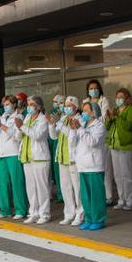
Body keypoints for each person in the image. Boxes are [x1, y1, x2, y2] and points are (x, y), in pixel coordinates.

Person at [69, 101, 107, 230]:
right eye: (83, 110)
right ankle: (89, 218)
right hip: (83, 165)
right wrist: (73, 130)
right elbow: (73, 143)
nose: (83, 113)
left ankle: (99, 219)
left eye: (86, 111)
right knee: (85, 196)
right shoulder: (83, 125)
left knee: (96, 195)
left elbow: (92, 142)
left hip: (94, 165)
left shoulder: (99, 126)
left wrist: (79, 129)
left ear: (93, 112)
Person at [17, 96, 51, 224]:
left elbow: (37, 135)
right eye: (28, 104)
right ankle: (33, 213)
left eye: (32, 104)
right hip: (28, 157)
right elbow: (20, 135)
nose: (29, 106)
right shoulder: (27, 118)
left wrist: (22, 127)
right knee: (31, 187)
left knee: (42, 187)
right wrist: (19, 128)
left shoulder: (43, 119)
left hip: (40, 157)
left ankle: (45, 214)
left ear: (39, 106)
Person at [50, 96, 84, 225]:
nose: (66, 108)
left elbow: (72, 138)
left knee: (77, 188)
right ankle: (69, 214)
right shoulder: (63, 119)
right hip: (62, 158)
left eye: (69, 105)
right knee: (65, 188)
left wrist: (59, 124)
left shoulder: (79, 119)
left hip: (73, 159)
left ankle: (80, 213)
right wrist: (52, 124)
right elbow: (54, 136)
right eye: (65, 105)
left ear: (75, 107)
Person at [0, 95, 28, 219]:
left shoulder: (19, 117)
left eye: (7, 104)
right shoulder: (2, 117)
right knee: (2, 183)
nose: (5, 107)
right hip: (2, 153)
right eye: (4, 104)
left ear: (14, 104)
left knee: (16, 182)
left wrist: (0, 126)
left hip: (13, 153)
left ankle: (20, 209)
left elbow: (14, 134)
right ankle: (5, 210)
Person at [84, 79, 116, 205]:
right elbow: (84, 119)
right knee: (93, 169)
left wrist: (93, 119)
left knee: (106, 168)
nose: (93, 90)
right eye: (91, 88)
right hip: (89, 139)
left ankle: (108, 196)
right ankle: (97, 196)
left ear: (99, 89)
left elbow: (103, 117)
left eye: (95, 88)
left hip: (102, 137)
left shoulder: (104, 100)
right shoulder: (85, 102)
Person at [105, 88, 132, 210]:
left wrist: (118, 117)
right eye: (117, 97)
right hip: (114, 146)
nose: (118, 99)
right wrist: (109, 118)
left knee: (127, 175)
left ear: (127, 98)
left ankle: (130, 201)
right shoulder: (116, 110)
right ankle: (121, 199)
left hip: (126, 146)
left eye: (121, 97)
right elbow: (108, 127)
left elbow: (129, 126)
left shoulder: (131, 110)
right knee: (118, 175)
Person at [47, 94, 65, 203]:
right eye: (56, 102)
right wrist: (52, 123)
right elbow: (53, 135)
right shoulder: (53, 114)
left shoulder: (69, 116)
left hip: (66, 147)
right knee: (57, 172)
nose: (58, 105)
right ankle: (60, 194)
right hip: (56, 145)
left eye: (61, 103)